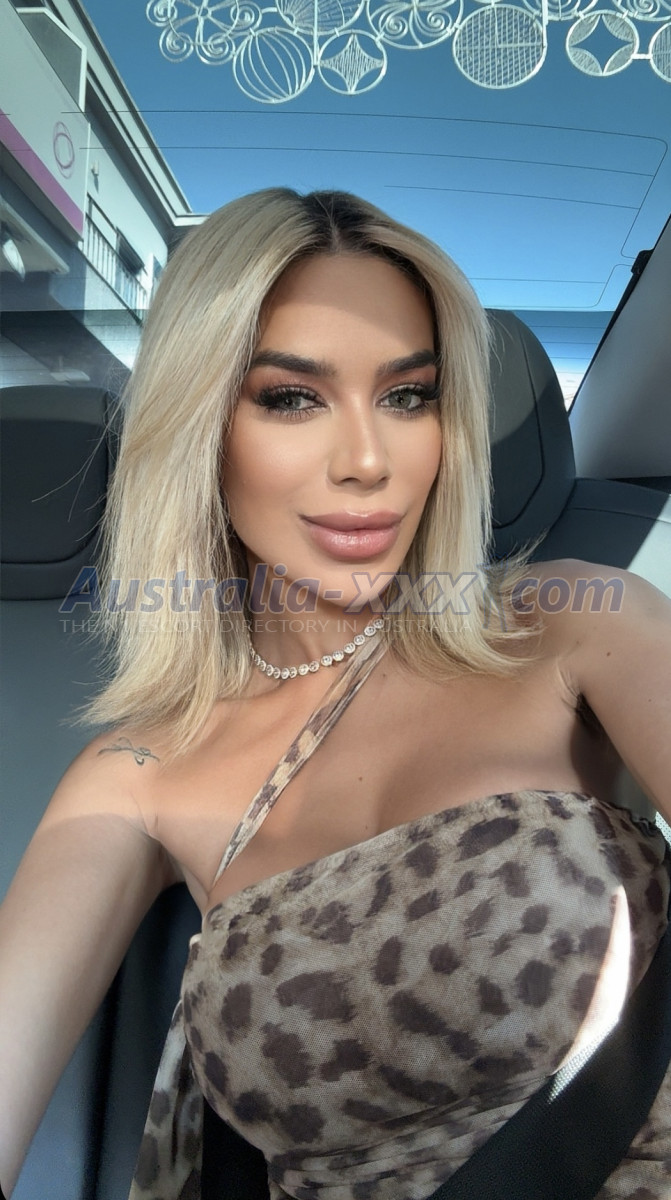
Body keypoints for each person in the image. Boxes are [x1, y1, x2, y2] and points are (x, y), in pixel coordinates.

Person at [0, 189, 669, 1200]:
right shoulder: (133, 775)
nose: (367, 462)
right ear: (198, 428)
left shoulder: (574, 625)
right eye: (290, 398)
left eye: (408, 396)